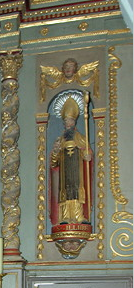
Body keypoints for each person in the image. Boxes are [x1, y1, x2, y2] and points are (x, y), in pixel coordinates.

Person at [49, 96, 92, 226]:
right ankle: (65, 217)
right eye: (67, 120)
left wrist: (88, 155)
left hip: (77, 172)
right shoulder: (60, 140)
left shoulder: (81, 138)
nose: (69, 123)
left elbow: (88, 152)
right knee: (66, 193)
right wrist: (56, 152)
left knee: (77, 192)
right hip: (65, 173)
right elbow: (53, 162)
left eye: (71, 120)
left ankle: (79, 216)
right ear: (63, 122)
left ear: (74, 122)